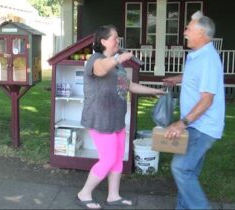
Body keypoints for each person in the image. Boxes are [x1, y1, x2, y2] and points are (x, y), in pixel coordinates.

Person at [76, 25, 164, 209]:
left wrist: (155, 91)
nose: (118, 41)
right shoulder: (96, 60)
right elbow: (100, 70)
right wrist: (117, 58)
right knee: (107, 159)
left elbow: (129, 86)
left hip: (116, 119)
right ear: (103, 41)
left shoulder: (118, 66)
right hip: (100, 119)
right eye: (114, 38)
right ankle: (84, 193)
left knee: (117, 159)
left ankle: (113, 196)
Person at [162, 11, 225, 209]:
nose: (185, 32)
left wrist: (182, 123)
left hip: (202, 127)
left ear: (202, 34)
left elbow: (207, 100)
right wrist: (178, 79)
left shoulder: (208, 60)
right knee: (189, 173)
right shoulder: (196, 56)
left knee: (180, 169)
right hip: (196, 124)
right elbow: (196, 77)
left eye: (189, 28)